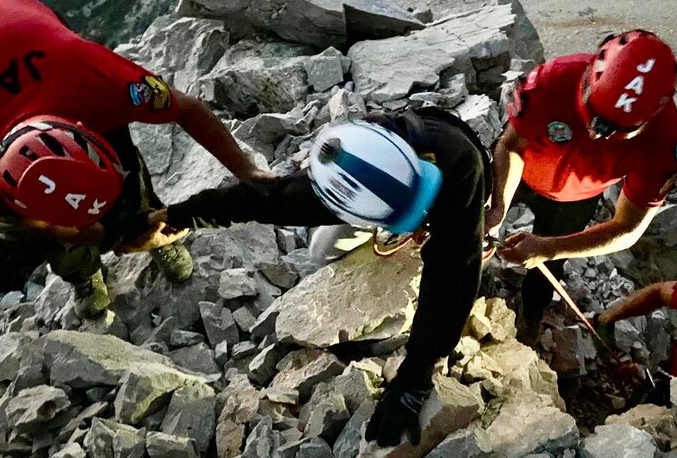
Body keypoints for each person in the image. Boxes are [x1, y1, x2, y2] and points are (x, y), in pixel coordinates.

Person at [152, 107, 491, 447]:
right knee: (321, 251)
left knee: (453, 250)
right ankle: (393, 231)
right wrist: (185, 214)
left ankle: (423, 225)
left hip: (460, 184)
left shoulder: (462, 166)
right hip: (383, 195)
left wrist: (416, 374)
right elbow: (267, 198)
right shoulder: (344, 175)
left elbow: (453, 275)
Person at [0, 0, 271, 316]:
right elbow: (16, 217)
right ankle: (81, 273)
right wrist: (68, 230)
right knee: (52, 230)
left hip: (23, 13)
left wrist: (248, 173)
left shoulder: (97, 79)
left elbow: (188, 109)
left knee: (128, 175)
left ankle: (153, 233)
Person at [486, 29, 677, 342]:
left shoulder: (663, 143)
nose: (594, 133)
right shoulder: (551, 80)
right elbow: (510, 146)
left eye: (611, 130)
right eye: (593, 114)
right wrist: (498, 206)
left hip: (575, 198)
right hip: (524, 171)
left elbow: (628, 227)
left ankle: (531, 314)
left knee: (547, 268)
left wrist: (548, 248)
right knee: (479, 224)